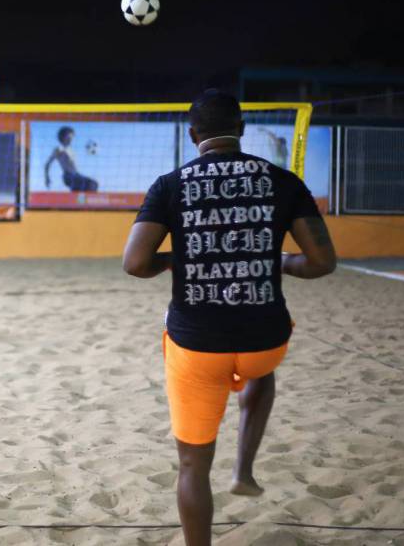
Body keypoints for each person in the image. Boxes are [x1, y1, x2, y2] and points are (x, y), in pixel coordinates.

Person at [122, 90, 337, 546]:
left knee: (191, 467)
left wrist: (174, 261)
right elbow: (321, 262)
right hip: (264, 342)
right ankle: (244, 468)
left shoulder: (170, 184)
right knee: (261, 371)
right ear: (241, 129)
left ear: (193, 134)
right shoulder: (283, 180)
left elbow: (135, 263)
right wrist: (276, 263)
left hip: (197, 347)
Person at [44, 126, 98, 192]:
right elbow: (47, 164)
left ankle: (77, 199)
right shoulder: (59, 149)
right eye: (70, 135)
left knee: (93, 185)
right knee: (91, 184)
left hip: (77, 175)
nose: (72, 137)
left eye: (72, 136)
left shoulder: (71, 150)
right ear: (64, 136)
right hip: (68, 176)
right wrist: (47, 178)